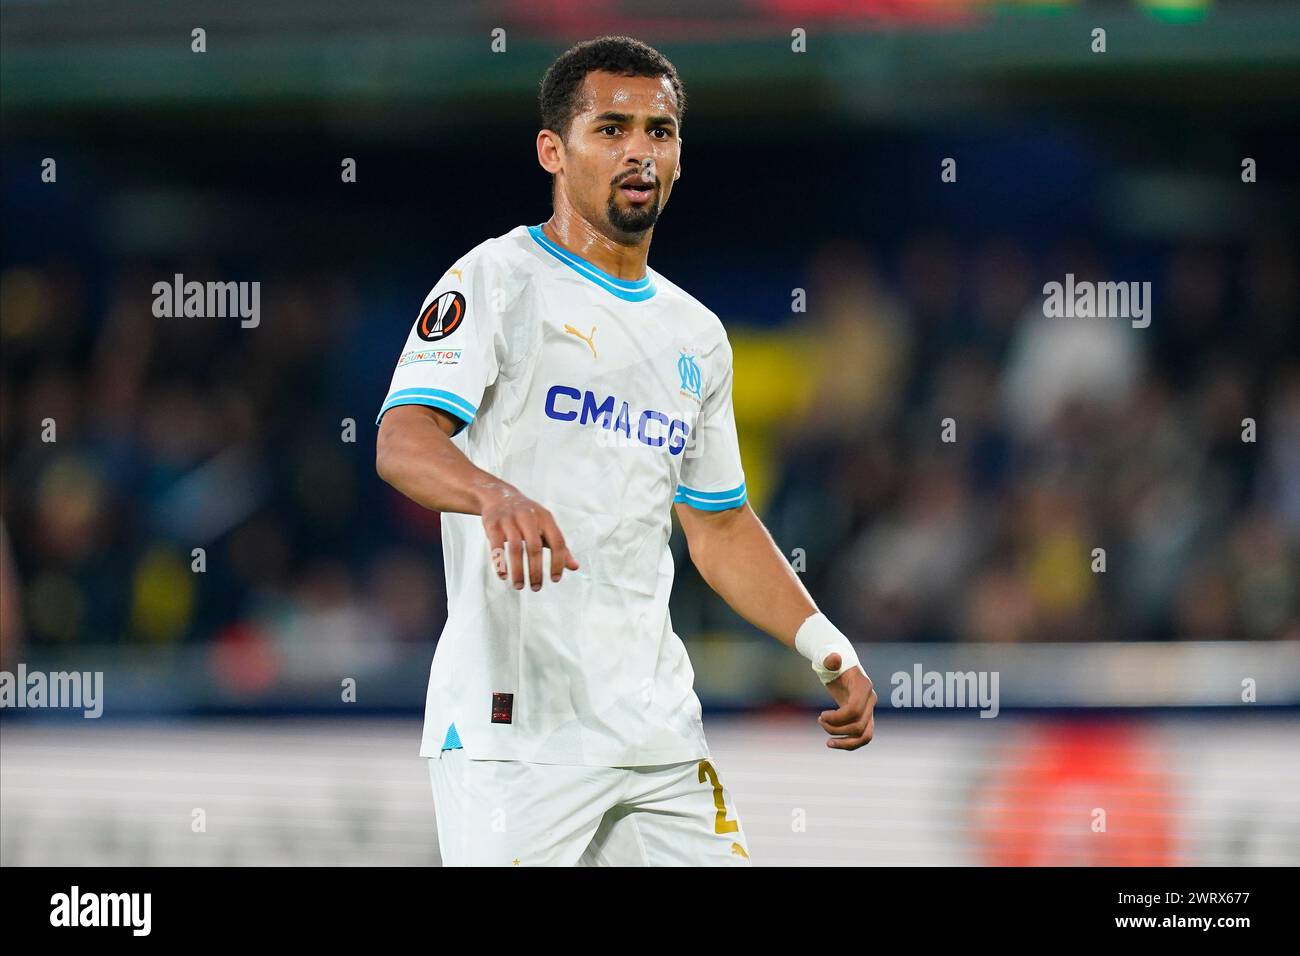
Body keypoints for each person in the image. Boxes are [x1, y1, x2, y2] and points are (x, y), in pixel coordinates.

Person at [375, 35, 876, 866]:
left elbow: (717, 526)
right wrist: (492, 494)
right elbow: (402, 438)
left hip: (656, 735)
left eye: (660, 131)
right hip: (516, 737)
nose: (641, 150)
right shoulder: (497, 280)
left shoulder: (697, 336)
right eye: (611, 129)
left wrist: (826, 642)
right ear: (552, 150)